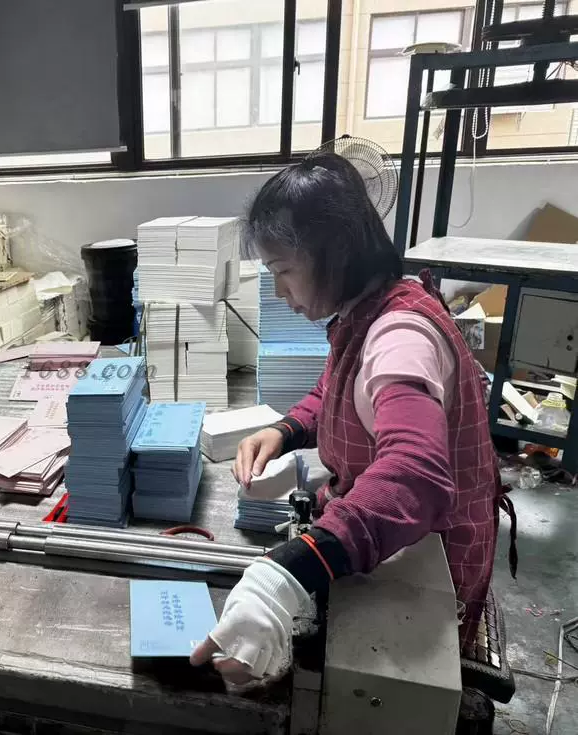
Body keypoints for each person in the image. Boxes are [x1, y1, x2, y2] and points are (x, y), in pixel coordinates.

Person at [190, 152, 505, 690]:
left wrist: (287, 573)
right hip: (393, 536)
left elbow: (415, 474)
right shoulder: (367, 309)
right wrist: (286, 430)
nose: (279, 291)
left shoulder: (400, 337)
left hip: (425, 559)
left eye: (283, 271)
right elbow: (336, 388)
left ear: (333, 252)